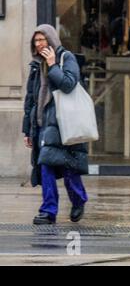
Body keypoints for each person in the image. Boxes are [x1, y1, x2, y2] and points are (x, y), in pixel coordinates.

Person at [23, 24, 89, 225]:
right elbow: (31, 99)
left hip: (63, 123)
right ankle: (48, 210)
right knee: (46, 165)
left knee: (68, 167)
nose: (39, 44)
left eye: (42, 39)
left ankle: (78, 200)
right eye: (36, 41)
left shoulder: (65, 58)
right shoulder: (36, 65)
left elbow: (69, 85)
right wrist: (27, 129)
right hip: (43, 125)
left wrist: (53, 66)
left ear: (51, 39)